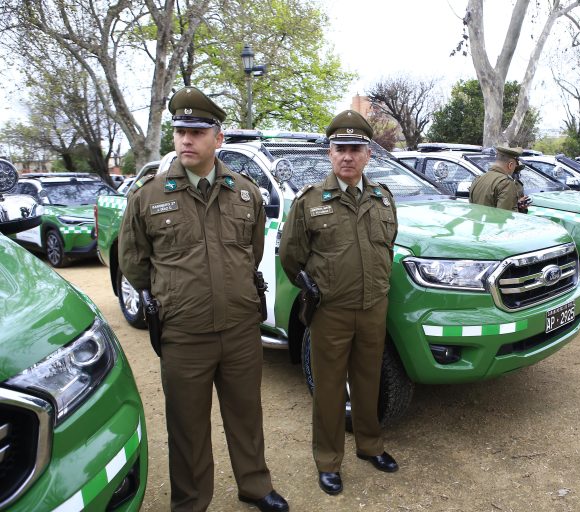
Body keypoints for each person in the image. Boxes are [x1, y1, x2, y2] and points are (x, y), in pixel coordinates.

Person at [118, 86, 288, 512]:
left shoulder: (245, 193)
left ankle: (254, 484)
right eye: (180, 131)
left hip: (239, 330)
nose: (186, 140)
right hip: (184, 335)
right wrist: (175, 297)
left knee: (247, 415)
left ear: (219, 138)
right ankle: (192, 501)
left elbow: (251, 253)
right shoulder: (149, 197)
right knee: (187, 427)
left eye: (196, 131)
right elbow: (135, 262)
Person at [279, 110, 399, 497]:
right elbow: (291, 257)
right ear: (329, 154)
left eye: (355, 149)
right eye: (339, 149)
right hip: (330, 310)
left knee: (368, 379)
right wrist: (313, 288)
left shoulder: (383, 198)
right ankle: (328, 462)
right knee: (330, 388)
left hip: (373, 306)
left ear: (368, 155)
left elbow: (388, 247)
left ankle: (370, 445)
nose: (347, 156)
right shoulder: (309, 201)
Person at [468, 145, 530, 212]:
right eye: (515, 166)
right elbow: (504, 216)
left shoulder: (478, 179)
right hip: (493, 222)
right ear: (510, 165)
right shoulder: (506, 183)